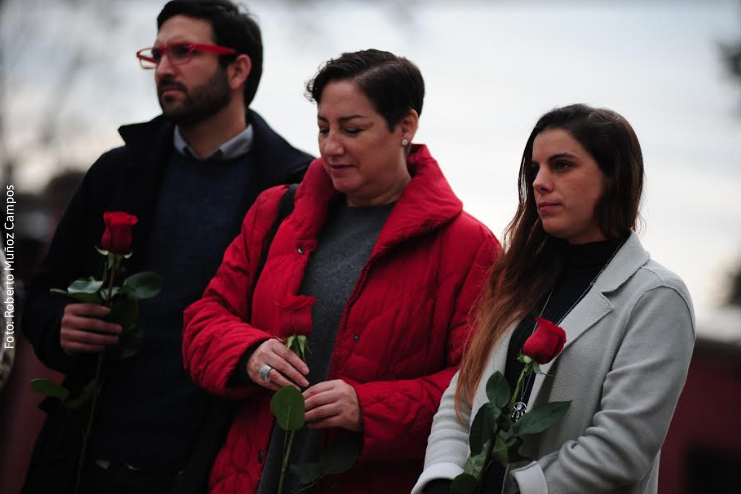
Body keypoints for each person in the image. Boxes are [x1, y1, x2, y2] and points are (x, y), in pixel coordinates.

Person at [21, 1, 312, 493]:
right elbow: (41, 294)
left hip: (211, 467)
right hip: (87, 457)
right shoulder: (117, 171)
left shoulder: (295, 188)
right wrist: (58, 324)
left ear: (238, 68)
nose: (164, 68)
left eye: (183, 51)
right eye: (156, 55)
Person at [181, 49, 501, 494]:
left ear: (405, 127)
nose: (332, 146)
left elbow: (476, 388)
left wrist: (368, 407)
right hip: (244, 479)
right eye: (323, 128)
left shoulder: (469, 247)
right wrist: (248, 352)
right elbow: (204, 318)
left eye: (352, 129)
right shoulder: (276, 210)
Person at [414, 104, 696, 494]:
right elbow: (461, 402)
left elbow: (620, 448)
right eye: (535, 169)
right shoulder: (519, 280)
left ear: (613, 177)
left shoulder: (656, 297)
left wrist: (515, 489)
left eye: (562, 165)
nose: (540, 182)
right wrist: (444, 479)